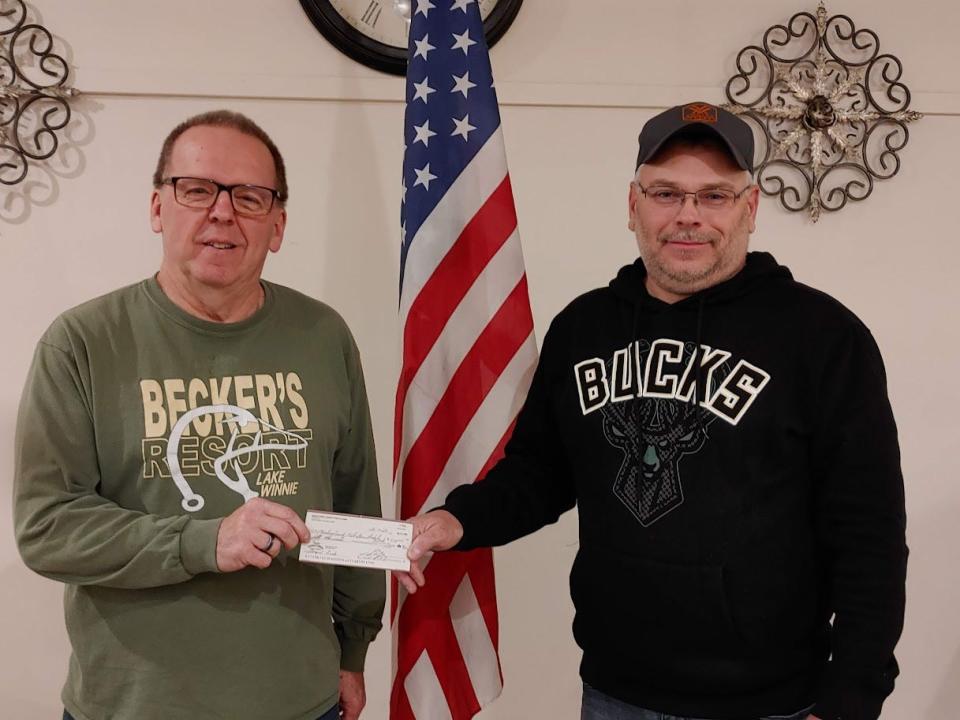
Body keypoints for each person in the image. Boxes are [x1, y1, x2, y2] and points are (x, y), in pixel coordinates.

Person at [396, 102, 907, 720]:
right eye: (666, 192)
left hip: (773, 702)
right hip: (616, 694)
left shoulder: (824, 337)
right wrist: (457, 522)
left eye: (714, 196)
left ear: (749, 210)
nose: (688, 216)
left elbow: (870, 537)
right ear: (633, 204)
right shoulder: (584, 327)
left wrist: (852, 696)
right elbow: (540, 472)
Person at [13, 110, 384, 720]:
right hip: (132, 707)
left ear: (278, 225)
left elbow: (352, 500)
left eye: (249, 196)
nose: (222, 212)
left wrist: (354, 647)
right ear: (158, 208)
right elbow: (47, 527)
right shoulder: (81, 342)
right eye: (197, 189)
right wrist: (206, 540)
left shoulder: (323, 335)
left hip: (301, 700)